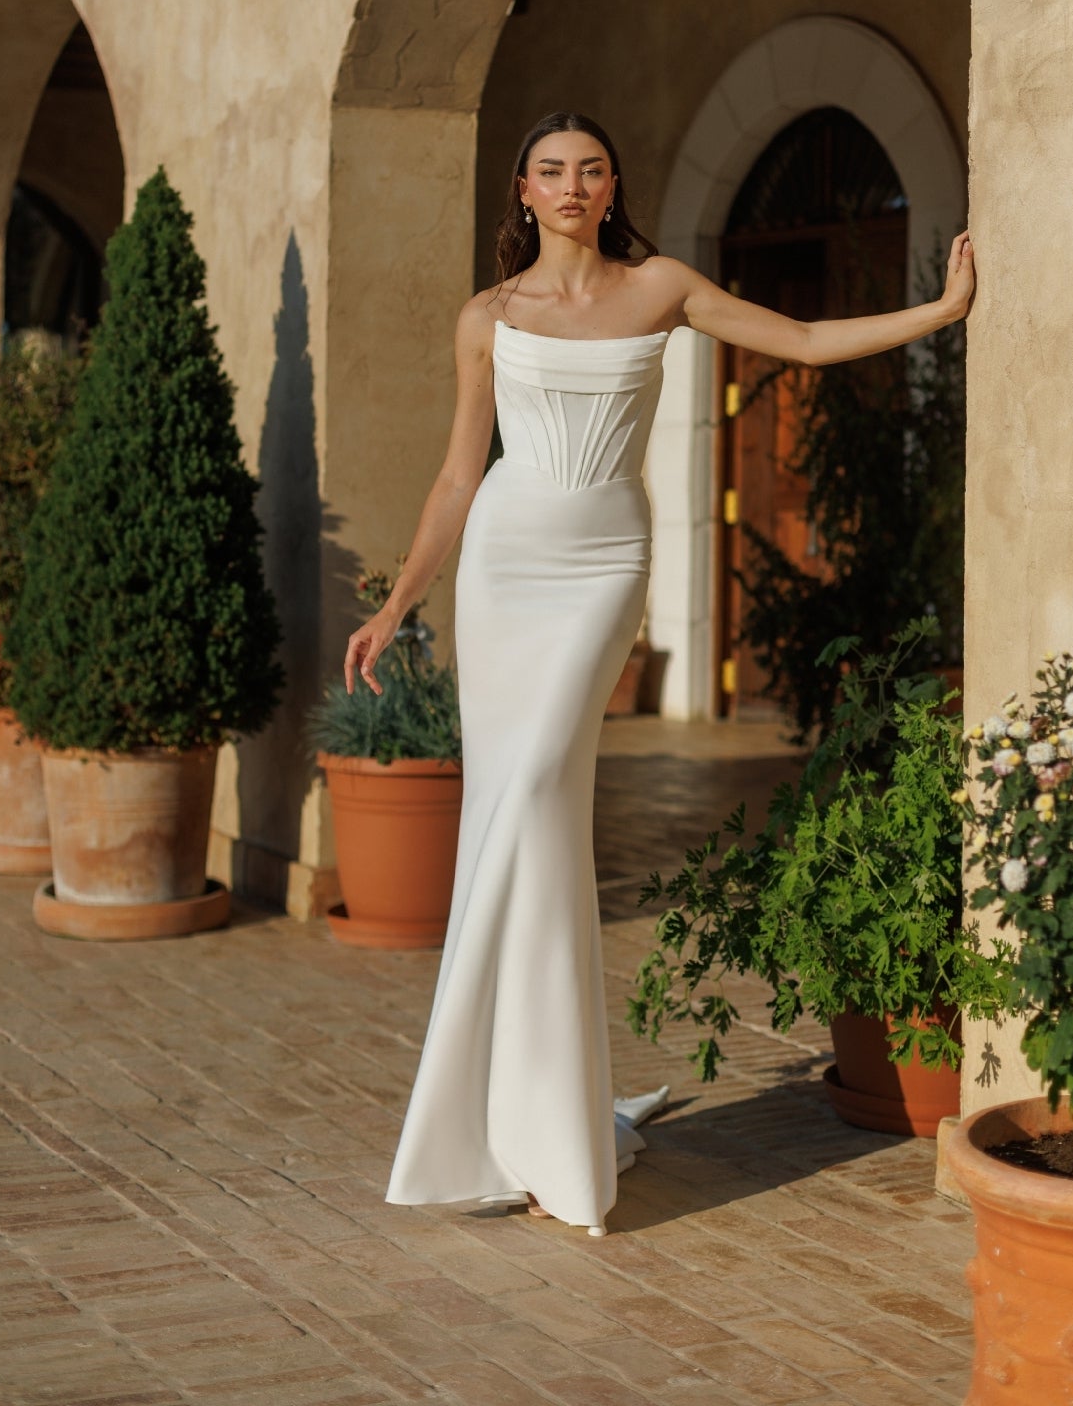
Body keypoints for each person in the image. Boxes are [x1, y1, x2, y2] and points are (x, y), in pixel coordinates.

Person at [344, 108, 976, 1237]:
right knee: (513, 811)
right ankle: (524, 1118)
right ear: (524, 194)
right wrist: (399, 601)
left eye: (591, 166)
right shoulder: (488, 316)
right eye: (551, 170)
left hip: (601, 563)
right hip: (502, 560)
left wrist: (938, 310)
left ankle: (534, 1120)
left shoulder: (663, 286)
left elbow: (803, 338)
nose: (572, 184)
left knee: (537, 787)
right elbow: (455, 475)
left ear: (612, 181)